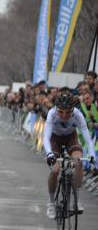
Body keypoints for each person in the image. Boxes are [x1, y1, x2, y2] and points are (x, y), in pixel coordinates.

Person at [42, 90, 96, 218]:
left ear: (73, 109)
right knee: (55, 170)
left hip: (71, 138)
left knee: (78, 163)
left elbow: (87, 138)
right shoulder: (51, 114)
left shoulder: (78, 115)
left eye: (68, 112)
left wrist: (92, 154)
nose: (64, 115)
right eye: (61, 111)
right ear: (56, 108)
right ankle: (50, 203)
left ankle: (76, 199)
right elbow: (45, 137)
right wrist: (49, 154)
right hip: (54, 139)